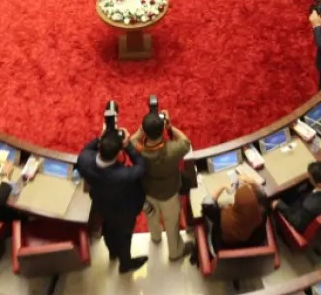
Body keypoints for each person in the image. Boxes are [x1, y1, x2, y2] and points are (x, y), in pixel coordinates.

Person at [77, 130, 149, 274]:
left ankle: (113, 253)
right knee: (124, 236)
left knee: (108, 231)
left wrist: (102, 138)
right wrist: (128, 146)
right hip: (123, 211)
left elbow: (87, 149)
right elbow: (142, 166)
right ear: (118, 154)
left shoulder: (84, 160)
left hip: (101, 206)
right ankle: (125, 264)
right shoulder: (123, 175)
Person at [131, 112, 192, 261]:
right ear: (162, 129)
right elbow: (186, 141)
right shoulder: (173, 150)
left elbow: (132, 139)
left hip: (148, 192)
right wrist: (170, 126)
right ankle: (175, 252)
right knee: (172, 224)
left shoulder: (139, 151)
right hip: (169, 193)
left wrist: (141, 131)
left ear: (144, 132)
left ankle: (156, 237)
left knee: (152, 217)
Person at [200, 181, 269, 251]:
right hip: (251, 253)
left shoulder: (220, 217)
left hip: (222, 251)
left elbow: (207, 203)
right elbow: (261, 196)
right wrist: (250, 182)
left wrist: (222, 187)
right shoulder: (262, 216)